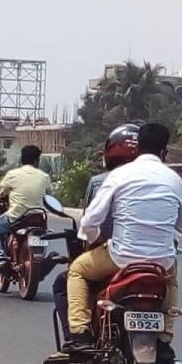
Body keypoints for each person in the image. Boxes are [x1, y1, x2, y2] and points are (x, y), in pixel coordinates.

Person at [59, 122, 182, 364]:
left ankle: (79, 335)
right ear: (165, 153)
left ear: (137, 148)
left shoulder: (120, 175)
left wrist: (93, 239)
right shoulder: (175, 180)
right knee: (172, 279)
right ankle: (164, 340)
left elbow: (90, 220)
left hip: (120, 257)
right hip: (161, 263)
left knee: (77, 271)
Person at [49, 124, 140, 347]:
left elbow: (90, 225)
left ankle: (77, 337)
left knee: (68, 279)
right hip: (154, 259)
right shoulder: (158, 181)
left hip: (113, 254)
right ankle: (165, 339)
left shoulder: (101, 182)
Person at [0, 144, 51, 275]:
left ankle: (0, 259)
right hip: (38, 218)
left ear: (21, 160)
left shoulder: (13, 174)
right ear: (37, 161)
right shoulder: (44, 177)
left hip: (16, 217)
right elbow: (49, 197)